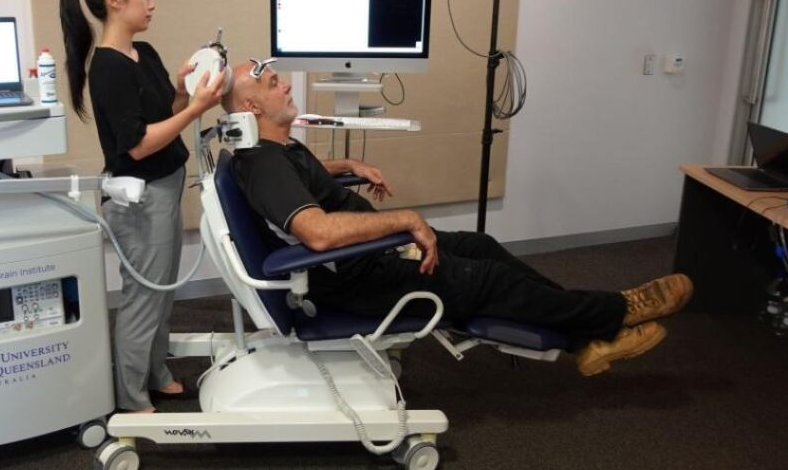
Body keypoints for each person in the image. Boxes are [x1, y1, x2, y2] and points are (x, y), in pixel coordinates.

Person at [220, 61, 692, 376]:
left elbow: (302, 179)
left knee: (480, 247)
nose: (284, 83)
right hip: (359, 276)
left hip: (366, 259)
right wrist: (403, 219)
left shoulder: (275, 148)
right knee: (483, 280)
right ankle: (618, 310)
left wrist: (347, 167)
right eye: (270, 83)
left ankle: (589, 339)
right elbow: (317, 233)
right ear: (251, 107)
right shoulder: (262, 163)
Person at [59, 0, 225, 412]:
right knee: (142, 298)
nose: (151, 4)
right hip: (140, 197)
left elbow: (161, 114)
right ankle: (131, 396)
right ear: (115, 1)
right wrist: (198, 108)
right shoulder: (108, 67)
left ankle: (156, 372)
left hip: (166, 183)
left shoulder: (143, 53)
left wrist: (181, 91)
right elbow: (136, 145)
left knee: (162, 292)